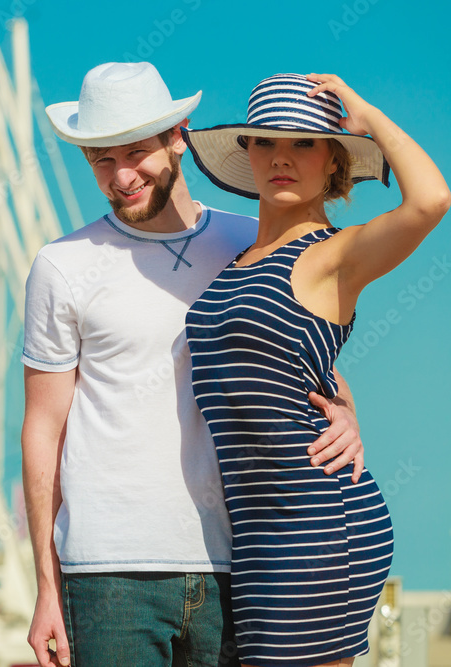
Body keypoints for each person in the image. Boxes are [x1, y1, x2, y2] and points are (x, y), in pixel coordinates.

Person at [22, 62, 367, 667]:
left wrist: (345, 413)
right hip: (109, 572)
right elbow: (42, 430)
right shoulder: (62, 264)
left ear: (178, 135)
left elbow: (306, 356)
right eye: (102, 159)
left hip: (247, 561)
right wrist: (47, 587)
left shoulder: (253, 243)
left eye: (135, 152)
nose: (121, 175)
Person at [182, 73, 450, 667]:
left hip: (318, 523)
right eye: (265, 141)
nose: (282, 157)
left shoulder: (332, 256)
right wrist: (346, 404)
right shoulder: (236, 262)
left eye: (304, 143)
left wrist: (368, 114)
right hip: (256, 532)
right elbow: (295, 363)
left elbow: (431, 201)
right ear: (246, 153)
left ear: (333, 160)